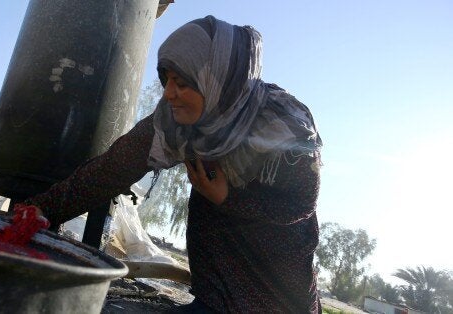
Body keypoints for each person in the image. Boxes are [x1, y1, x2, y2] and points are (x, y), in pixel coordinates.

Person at [25, 15, 323, 313]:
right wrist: (41, 211)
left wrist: (226, 197)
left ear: (216, 81)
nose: (168, 93)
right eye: (166, 80)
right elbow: (110, 170)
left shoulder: (284, 128)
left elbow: (301, 204)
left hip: (276, 295)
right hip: (215, 291)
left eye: (181, 83)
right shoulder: (173, 123)